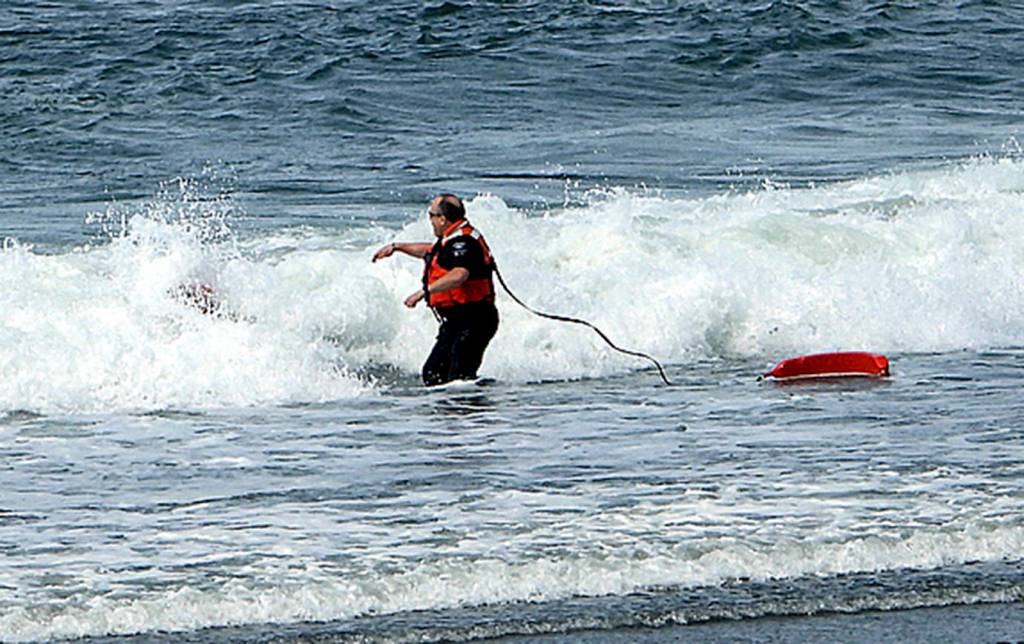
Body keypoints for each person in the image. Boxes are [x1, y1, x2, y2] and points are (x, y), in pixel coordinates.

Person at [372, 194, 499, 386]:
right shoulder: (450, 238)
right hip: (456, 321)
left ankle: (474, 412)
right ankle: (447, 414)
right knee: (433, 373)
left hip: (475, 319)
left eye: (431, 215)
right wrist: (397, 247)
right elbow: (431, 251)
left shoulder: (464, 242)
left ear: (443, 219)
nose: (429, 220)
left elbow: (460, 274)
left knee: (459, 378)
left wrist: (424, 291)